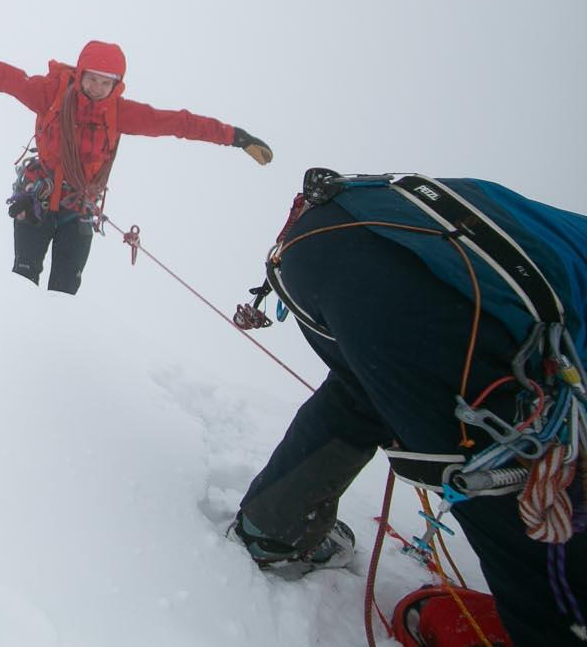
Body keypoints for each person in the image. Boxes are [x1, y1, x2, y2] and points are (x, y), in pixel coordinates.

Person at [231, 171, 587, 645]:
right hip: (424, 276)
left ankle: (273, 526)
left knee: (363, 391)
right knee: (525, 490)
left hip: (325, 235)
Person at [0, 38, 270, 294]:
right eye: (92, 78)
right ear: (79, 74)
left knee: (64, 291)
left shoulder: (120, 114)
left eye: (106, 82)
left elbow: (178, 123)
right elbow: (1, 76)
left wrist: (235, 137)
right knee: (22, 282)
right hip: (37, 200)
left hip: (77, 209)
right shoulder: (50, 95)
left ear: (117, 85)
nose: (97, 87)